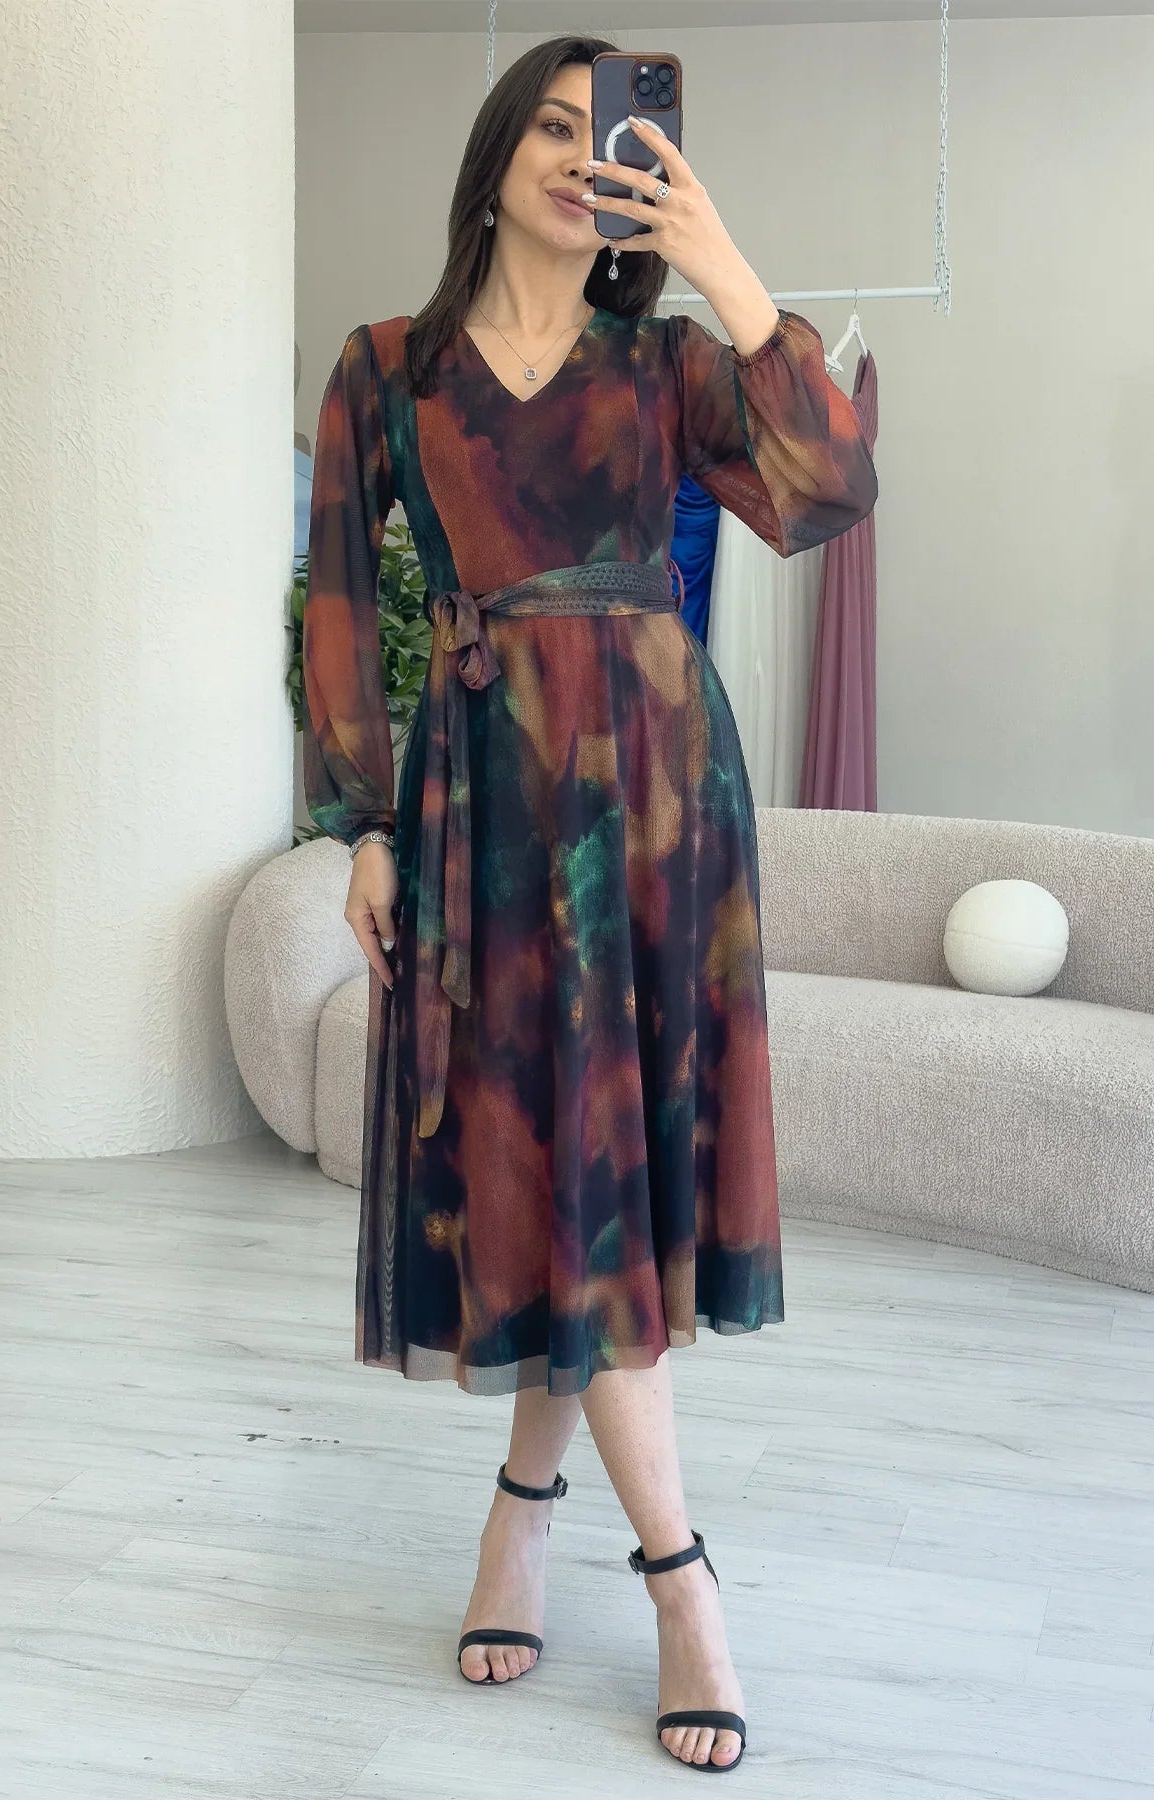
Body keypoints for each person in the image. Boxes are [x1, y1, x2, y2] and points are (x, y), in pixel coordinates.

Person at [301, 32, 877, 1775]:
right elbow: (339, 604)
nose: (579, 156)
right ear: (494, 158)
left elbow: (828, 493)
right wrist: (363, 825)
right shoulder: (386, 370)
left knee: (595, 1166)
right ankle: (626, 1552)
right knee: (547, 1160)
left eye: (608, 137)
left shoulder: (669, 362)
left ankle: (604, 1547)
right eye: (550, 127)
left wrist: (720, 259)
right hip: (484, 810)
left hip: (654, 810)